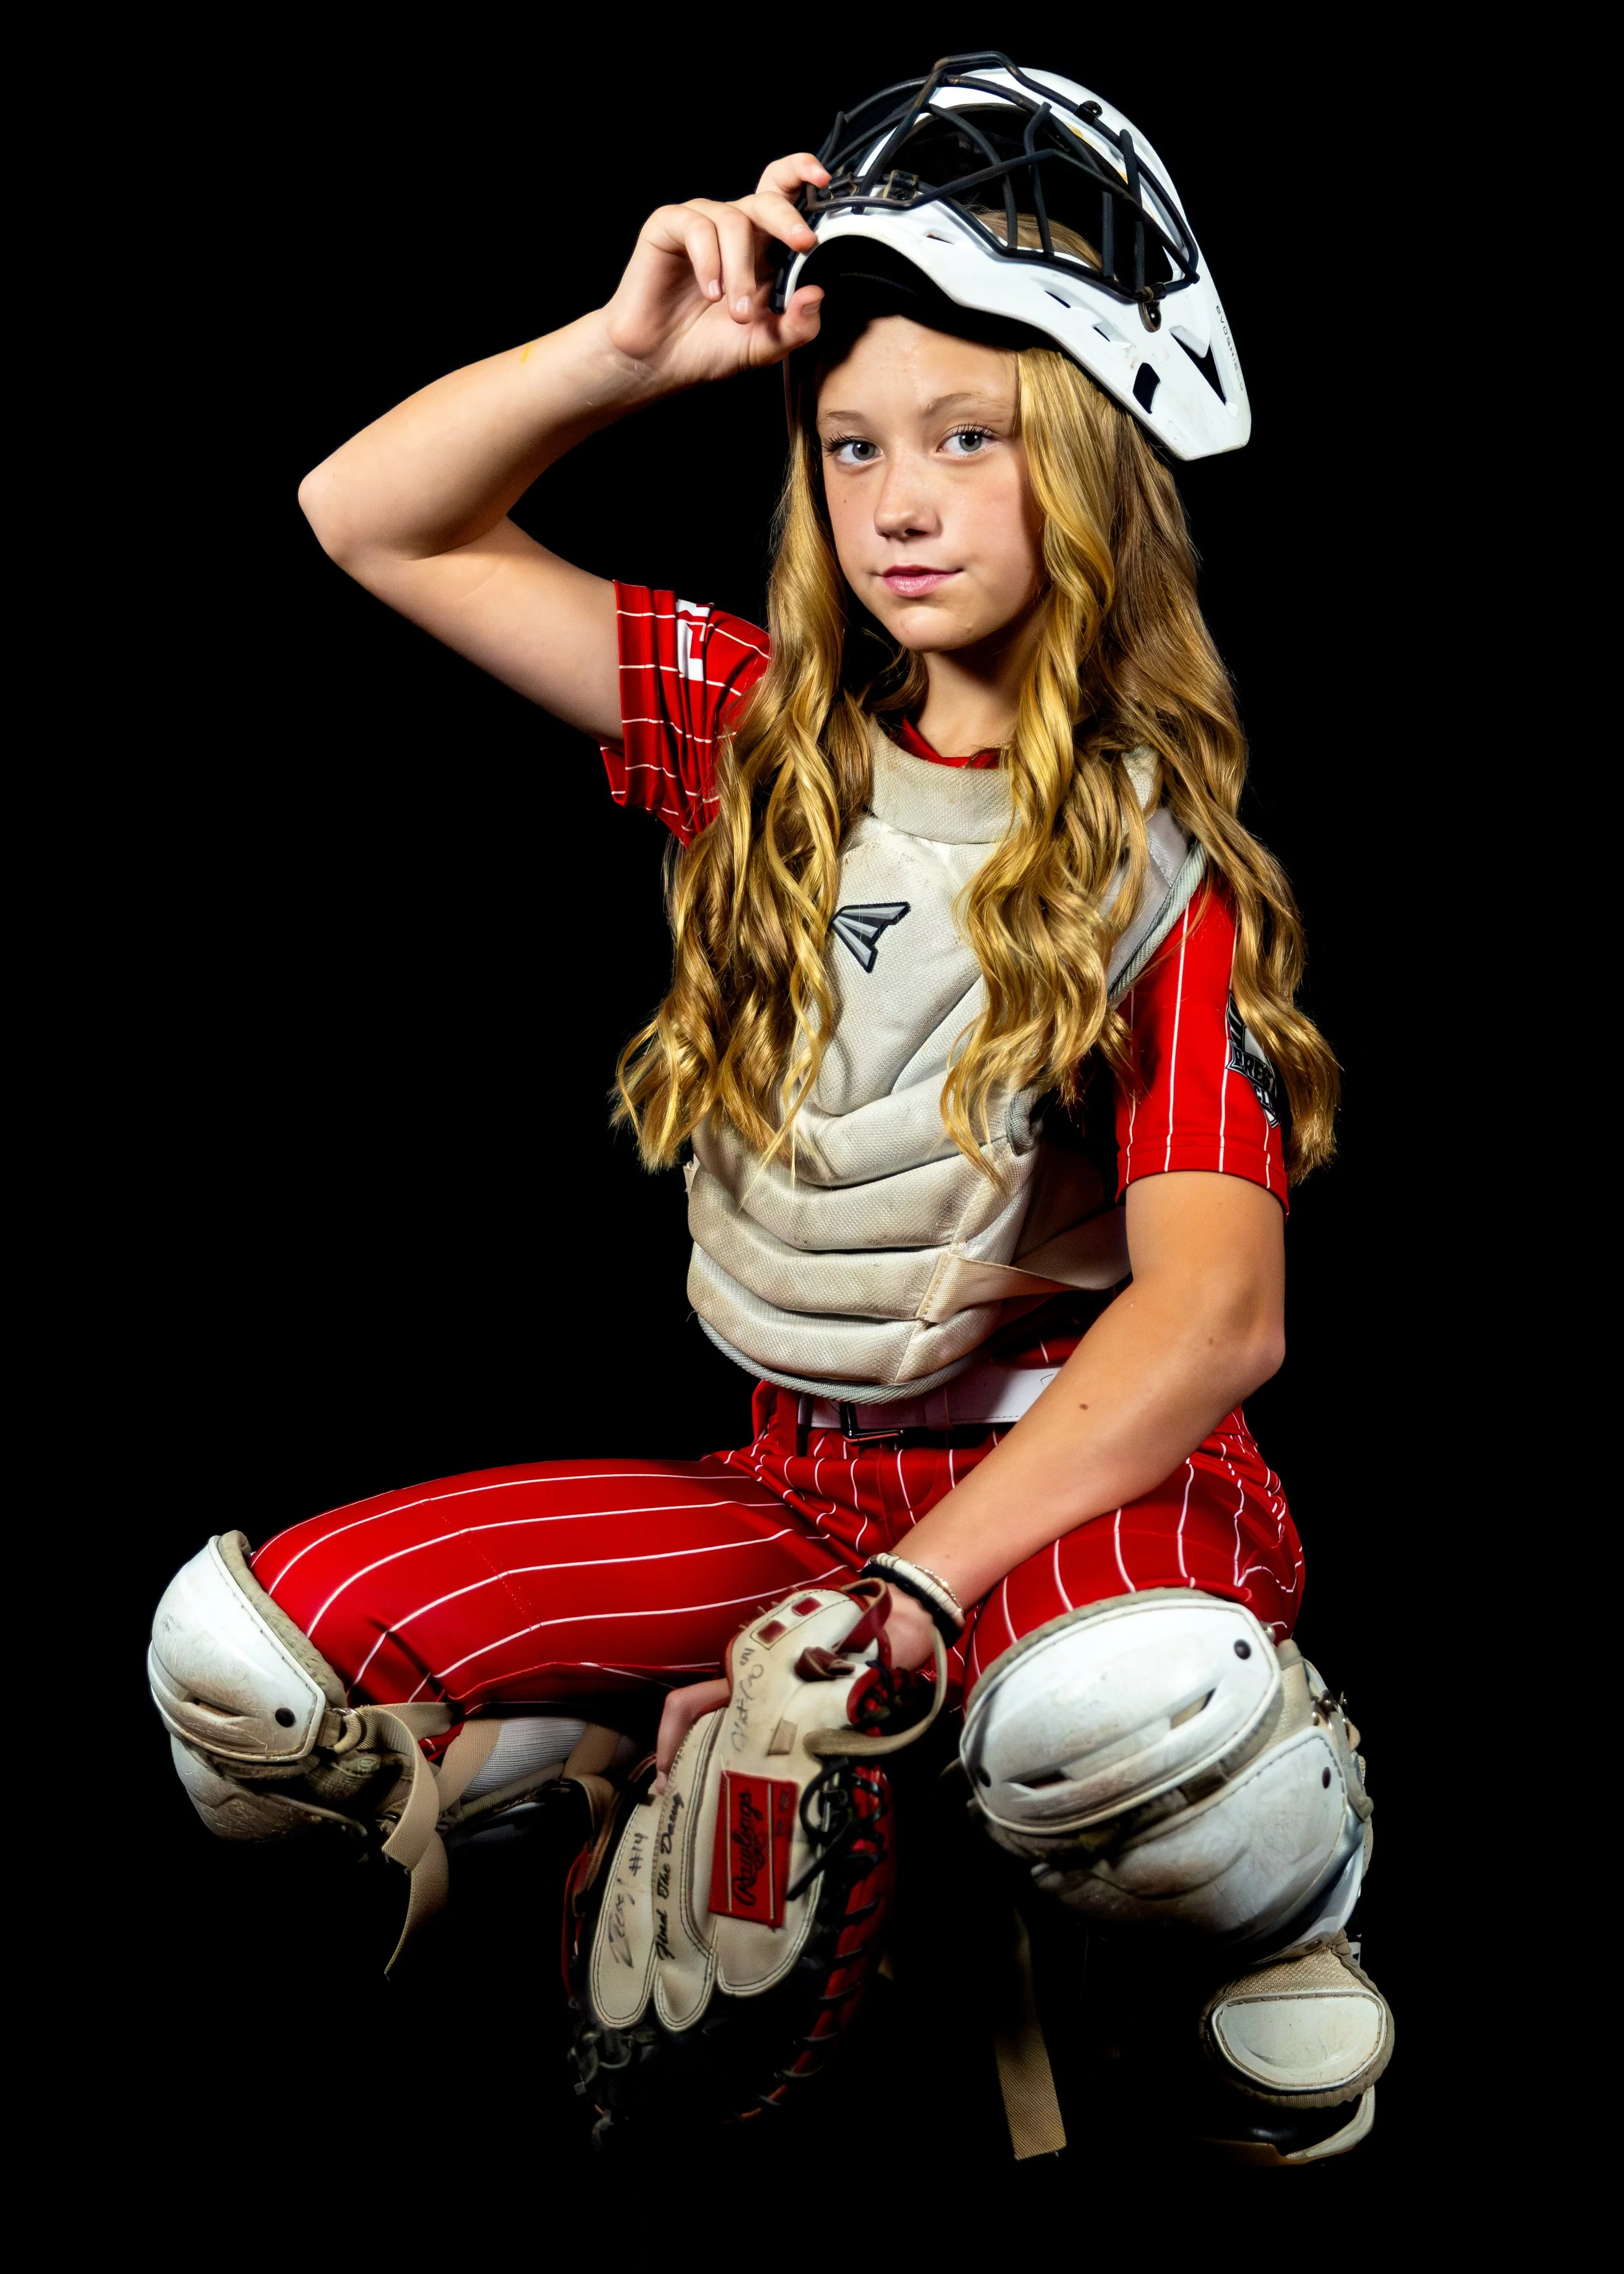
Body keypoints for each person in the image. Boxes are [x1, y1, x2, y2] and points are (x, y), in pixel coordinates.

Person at [149, 59, 1390, 2164]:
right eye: (849, 447)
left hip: (1071, 1498)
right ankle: (626, 1727)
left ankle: (1279, 1907)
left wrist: (917, 1592)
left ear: (1083, 464)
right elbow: (369, 516)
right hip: (789, 1484)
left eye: (968, 441)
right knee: (243, 1680)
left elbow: (1212, 1320)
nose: (896, 501)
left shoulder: (1153, 861)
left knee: (1115, 1730)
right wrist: (627, 355)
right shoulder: (759, 734)